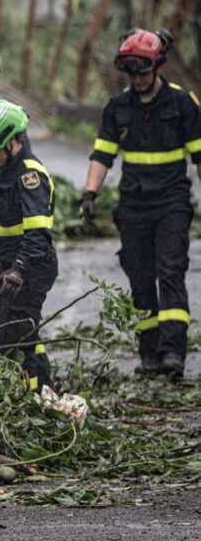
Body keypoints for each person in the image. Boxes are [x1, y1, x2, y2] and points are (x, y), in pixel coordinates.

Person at [81, 28, 200, 379]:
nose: (136, 78)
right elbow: (102, 154)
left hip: (172, 203)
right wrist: (90, 194)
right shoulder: (118, 107)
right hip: (133, 205)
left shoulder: (182, 105)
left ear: (158, 66)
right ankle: (149, 354)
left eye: (142, 71)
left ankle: (173, 353)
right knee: (142, 280)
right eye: (130, 72)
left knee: (171, 273)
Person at [0, 100, 56, 393]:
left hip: (29, 268)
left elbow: (37, 234)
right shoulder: (3, 170)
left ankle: (28, 400)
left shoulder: (29, 176)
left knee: (16, 342)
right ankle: (45, 387)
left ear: (12, 141)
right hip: (6, 264)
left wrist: (19, 270)